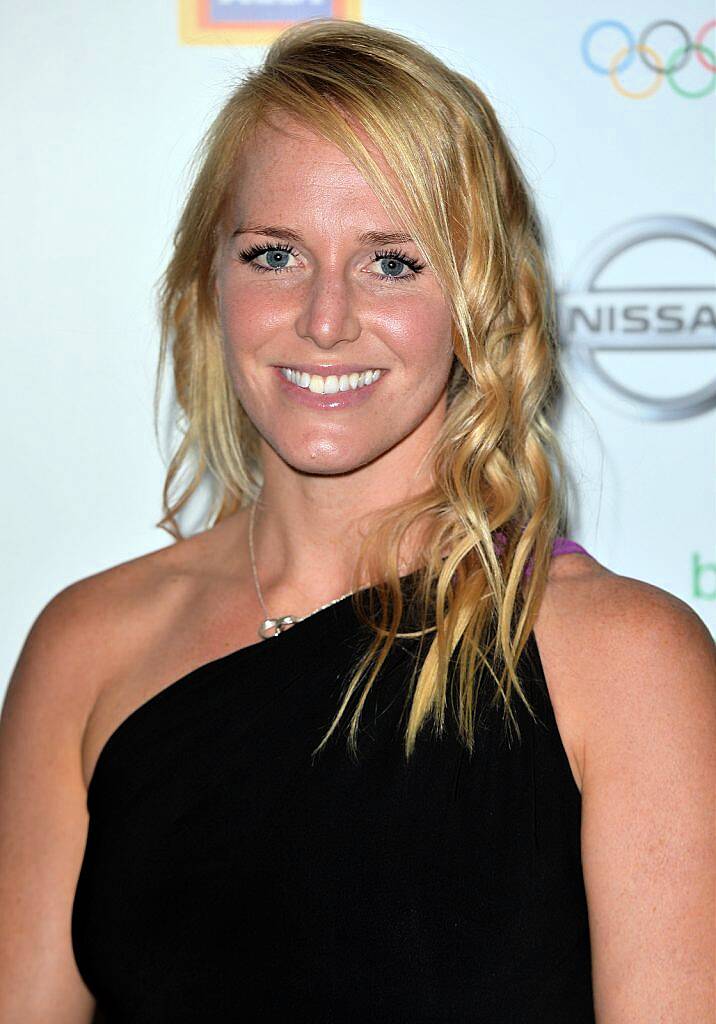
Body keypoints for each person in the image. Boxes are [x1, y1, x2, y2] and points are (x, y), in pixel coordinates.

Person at [1, 17, 714, 1024]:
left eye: (392, 263)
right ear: (210, 283)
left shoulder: (624, 660)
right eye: (274, 253)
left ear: (479, 296)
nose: (324, 317)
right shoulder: (88, 643)